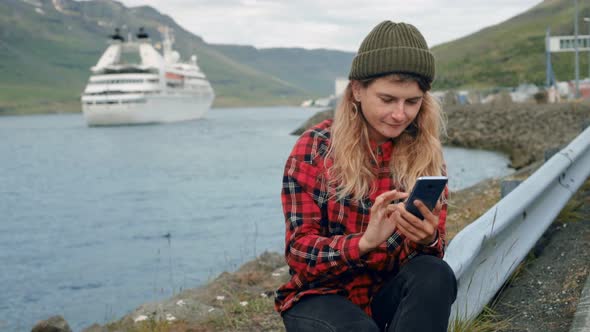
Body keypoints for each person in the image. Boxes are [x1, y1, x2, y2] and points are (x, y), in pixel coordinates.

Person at [274, 21, 457, 332]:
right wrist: (364, 243)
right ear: (357, 90)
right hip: (320, 295)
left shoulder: (427, 154)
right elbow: (299, 252)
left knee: (435, 273)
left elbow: (430, 256)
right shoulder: (314, 148)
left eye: (412, 102)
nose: (400, 114)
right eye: (387, 99)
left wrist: (429, 238)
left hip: (386, 293)